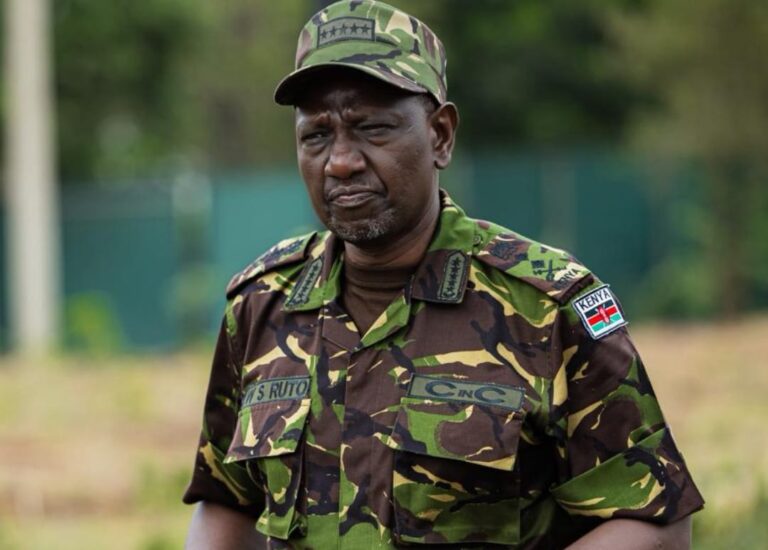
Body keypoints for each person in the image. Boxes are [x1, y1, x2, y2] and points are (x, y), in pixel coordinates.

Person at [183, 1, 704, 548]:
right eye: (316, 135)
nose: (340, 161)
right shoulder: (262, 304)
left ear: (440, 135)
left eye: (372, 129)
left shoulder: (546, 305)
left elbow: (654, 520)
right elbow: (226, 501)